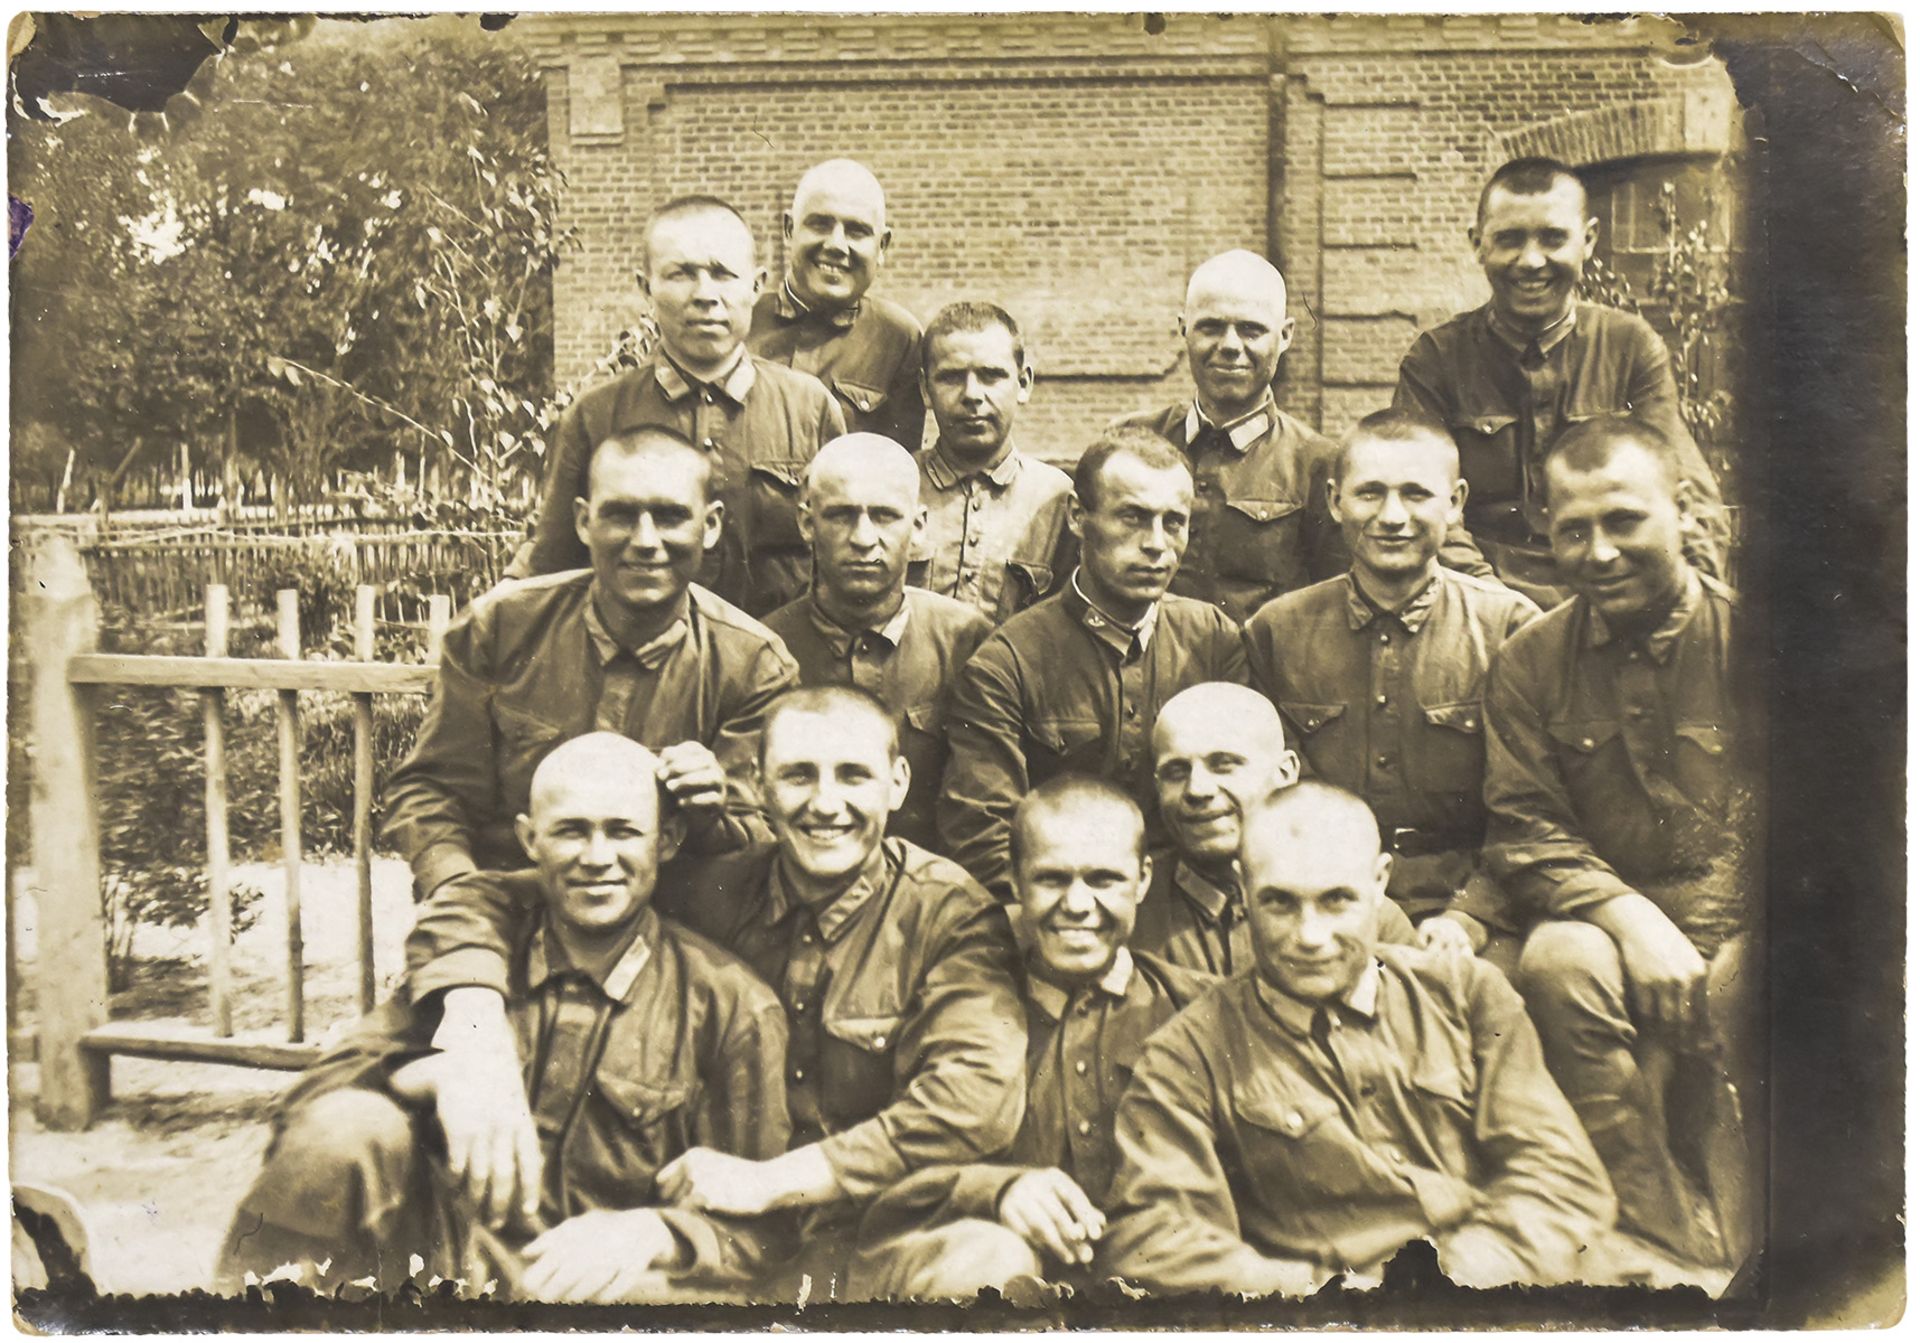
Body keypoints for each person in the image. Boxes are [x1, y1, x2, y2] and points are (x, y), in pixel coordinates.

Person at [403, 686, 1027, 1301]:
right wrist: (475, 1024)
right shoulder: (711, 888)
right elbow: (499, 896)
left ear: (897, 783)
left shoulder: (949, 914)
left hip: (872, 1234)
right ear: (757, 784)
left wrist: (774, 1182)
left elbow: (974, 1098)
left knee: (989, 1265)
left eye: (853, 776)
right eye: (799, 775)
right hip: (718, 1247)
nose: (826, 803)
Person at [220, 735, 792, 1301]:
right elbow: (312, 1106)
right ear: (530, 839)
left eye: (622, 831)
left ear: (665, 841)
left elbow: (763, 1231)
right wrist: (443, 1073)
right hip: (440, 1260)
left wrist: (657, 1233)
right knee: (349, 1125)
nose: (597, 857)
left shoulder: (730, 1005)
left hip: (590, 1286)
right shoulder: (475, 961)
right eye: (571, 830)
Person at [1100, 782, 1615, 1295]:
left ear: (1379, 881)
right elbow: (1153, 1238)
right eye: (1279, 903)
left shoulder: (1466, 995)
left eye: (1336, 900)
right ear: (1243, 888)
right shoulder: (1189, 1051)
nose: (1309, 936)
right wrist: (1322, 1294)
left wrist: (1448, 1282)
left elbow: (1560, 1180)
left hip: (1496, 1288)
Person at [1484, 414, 1754, 1277]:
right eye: (1573, 530)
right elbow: (1526, 826)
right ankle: (1650, 1207)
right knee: (1560, 960)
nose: (1598, 552)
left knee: (1754, 977)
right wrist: (1632, 918)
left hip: (1747, 921)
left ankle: (1755, 1212)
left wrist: (1707, 940)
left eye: (1623, 519)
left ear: (1683, 510)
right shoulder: (1529, 662)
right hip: (1608, 920)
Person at [384, 427, 798, 900]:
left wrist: (709, 812)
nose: (645, 541)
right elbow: (433, 792)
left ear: (710, 526)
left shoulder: (753, 665)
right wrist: (464, 901)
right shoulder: (499, 630)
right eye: (621, 515)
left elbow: (759, 844)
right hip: (512, 909)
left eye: (670, 517)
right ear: (584, 522)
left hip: (668, 930)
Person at [847, 778, 1215, 1300]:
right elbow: (890, 1184)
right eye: (1052, 879)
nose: (1078, 905)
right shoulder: (959, 1012)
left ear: (1142, 880)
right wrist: (993, 1191)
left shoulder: (1199, 1011)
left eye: (1104, 879)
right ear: (1016, 881)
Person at [1244, 410, 1540, 971]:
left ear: (1455, 503)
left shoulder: (1511, 629)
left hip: (1471, 914)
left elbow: (1532, 806)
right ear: (1334, 501)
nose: (1392, 517)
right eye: (1370, 493)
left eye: (1416, 494)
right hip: (1322, 909)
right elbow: (1271, 805)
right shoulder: (1275, 633)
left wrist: (1470, 915)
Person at [1393, 156, 1727, 607]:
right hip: (1477, 602)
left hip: (1606, 595)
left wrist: (1699, 600)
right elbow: (1419, 504)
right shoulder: (1435, 359)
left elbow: (1686, 490)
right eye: (1509, 240)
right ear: (1478, 245)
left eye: (1553, 238)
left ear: (1587, 240)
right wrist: (1495, 604)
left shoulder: (1629, 347)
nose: (1531, 261)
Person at [939, 428, 1249, 901]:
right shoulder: (1008, 662)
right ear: (1079, 517)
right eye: (1133, 518)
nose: (1156, 544)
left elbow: (1249, 800)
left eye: (1174, 522)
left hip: (1190, 914)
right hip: (1063, 917)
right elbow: (984, 837)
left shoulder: (1215, 641)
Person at [518, 194, 845, 614]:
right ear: (645, 287)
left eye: (724, 274)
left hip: (781, 664)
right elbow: (552, 567)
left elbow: (840, 558)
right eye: (681, 274)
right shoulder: (596, 415)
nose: (705, 295)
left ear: (756, 285)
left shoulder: (809, 409)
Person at [1012, 250, 1347, 624]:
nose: (1231, 345)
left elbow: (1331, 605)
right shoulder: (1129, 442)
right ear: (1183, 328)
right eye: (1211, 327)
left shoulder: (1318, 463)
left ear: (1285, 336)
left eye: (1251, 330)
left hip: (1252, 679)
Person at [764, 433, 993, 852]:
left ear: (919, 526)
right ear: (806, 523)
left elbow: (983, 805)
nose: (864, 538)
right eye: (841, 516)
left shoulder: (968, 640)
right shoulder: (764, 649)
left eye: (885, 515)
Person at [1137, 682, 1419, 975]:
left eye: (1223, 765)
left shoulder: (1367, 917)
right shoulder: (1129, 913)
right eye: (1176, 772)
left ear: (1284, 773)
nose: (1197, 790)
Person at [906, 301, 1072, 621]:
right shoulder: (895, 484)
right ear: (925, 390)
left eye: (990, 376)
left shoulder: (1058, 498)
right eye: (952, 377)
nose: (972, 395)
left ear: (1023, 384)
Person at [748, 159, 925, 449]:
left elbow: (898, 465)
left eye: (856, 231)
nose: (836, 245)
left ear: (882, 246)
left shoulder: (898, 338)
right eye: (820, 224)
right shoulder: (741, 319)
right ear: (789, 229)